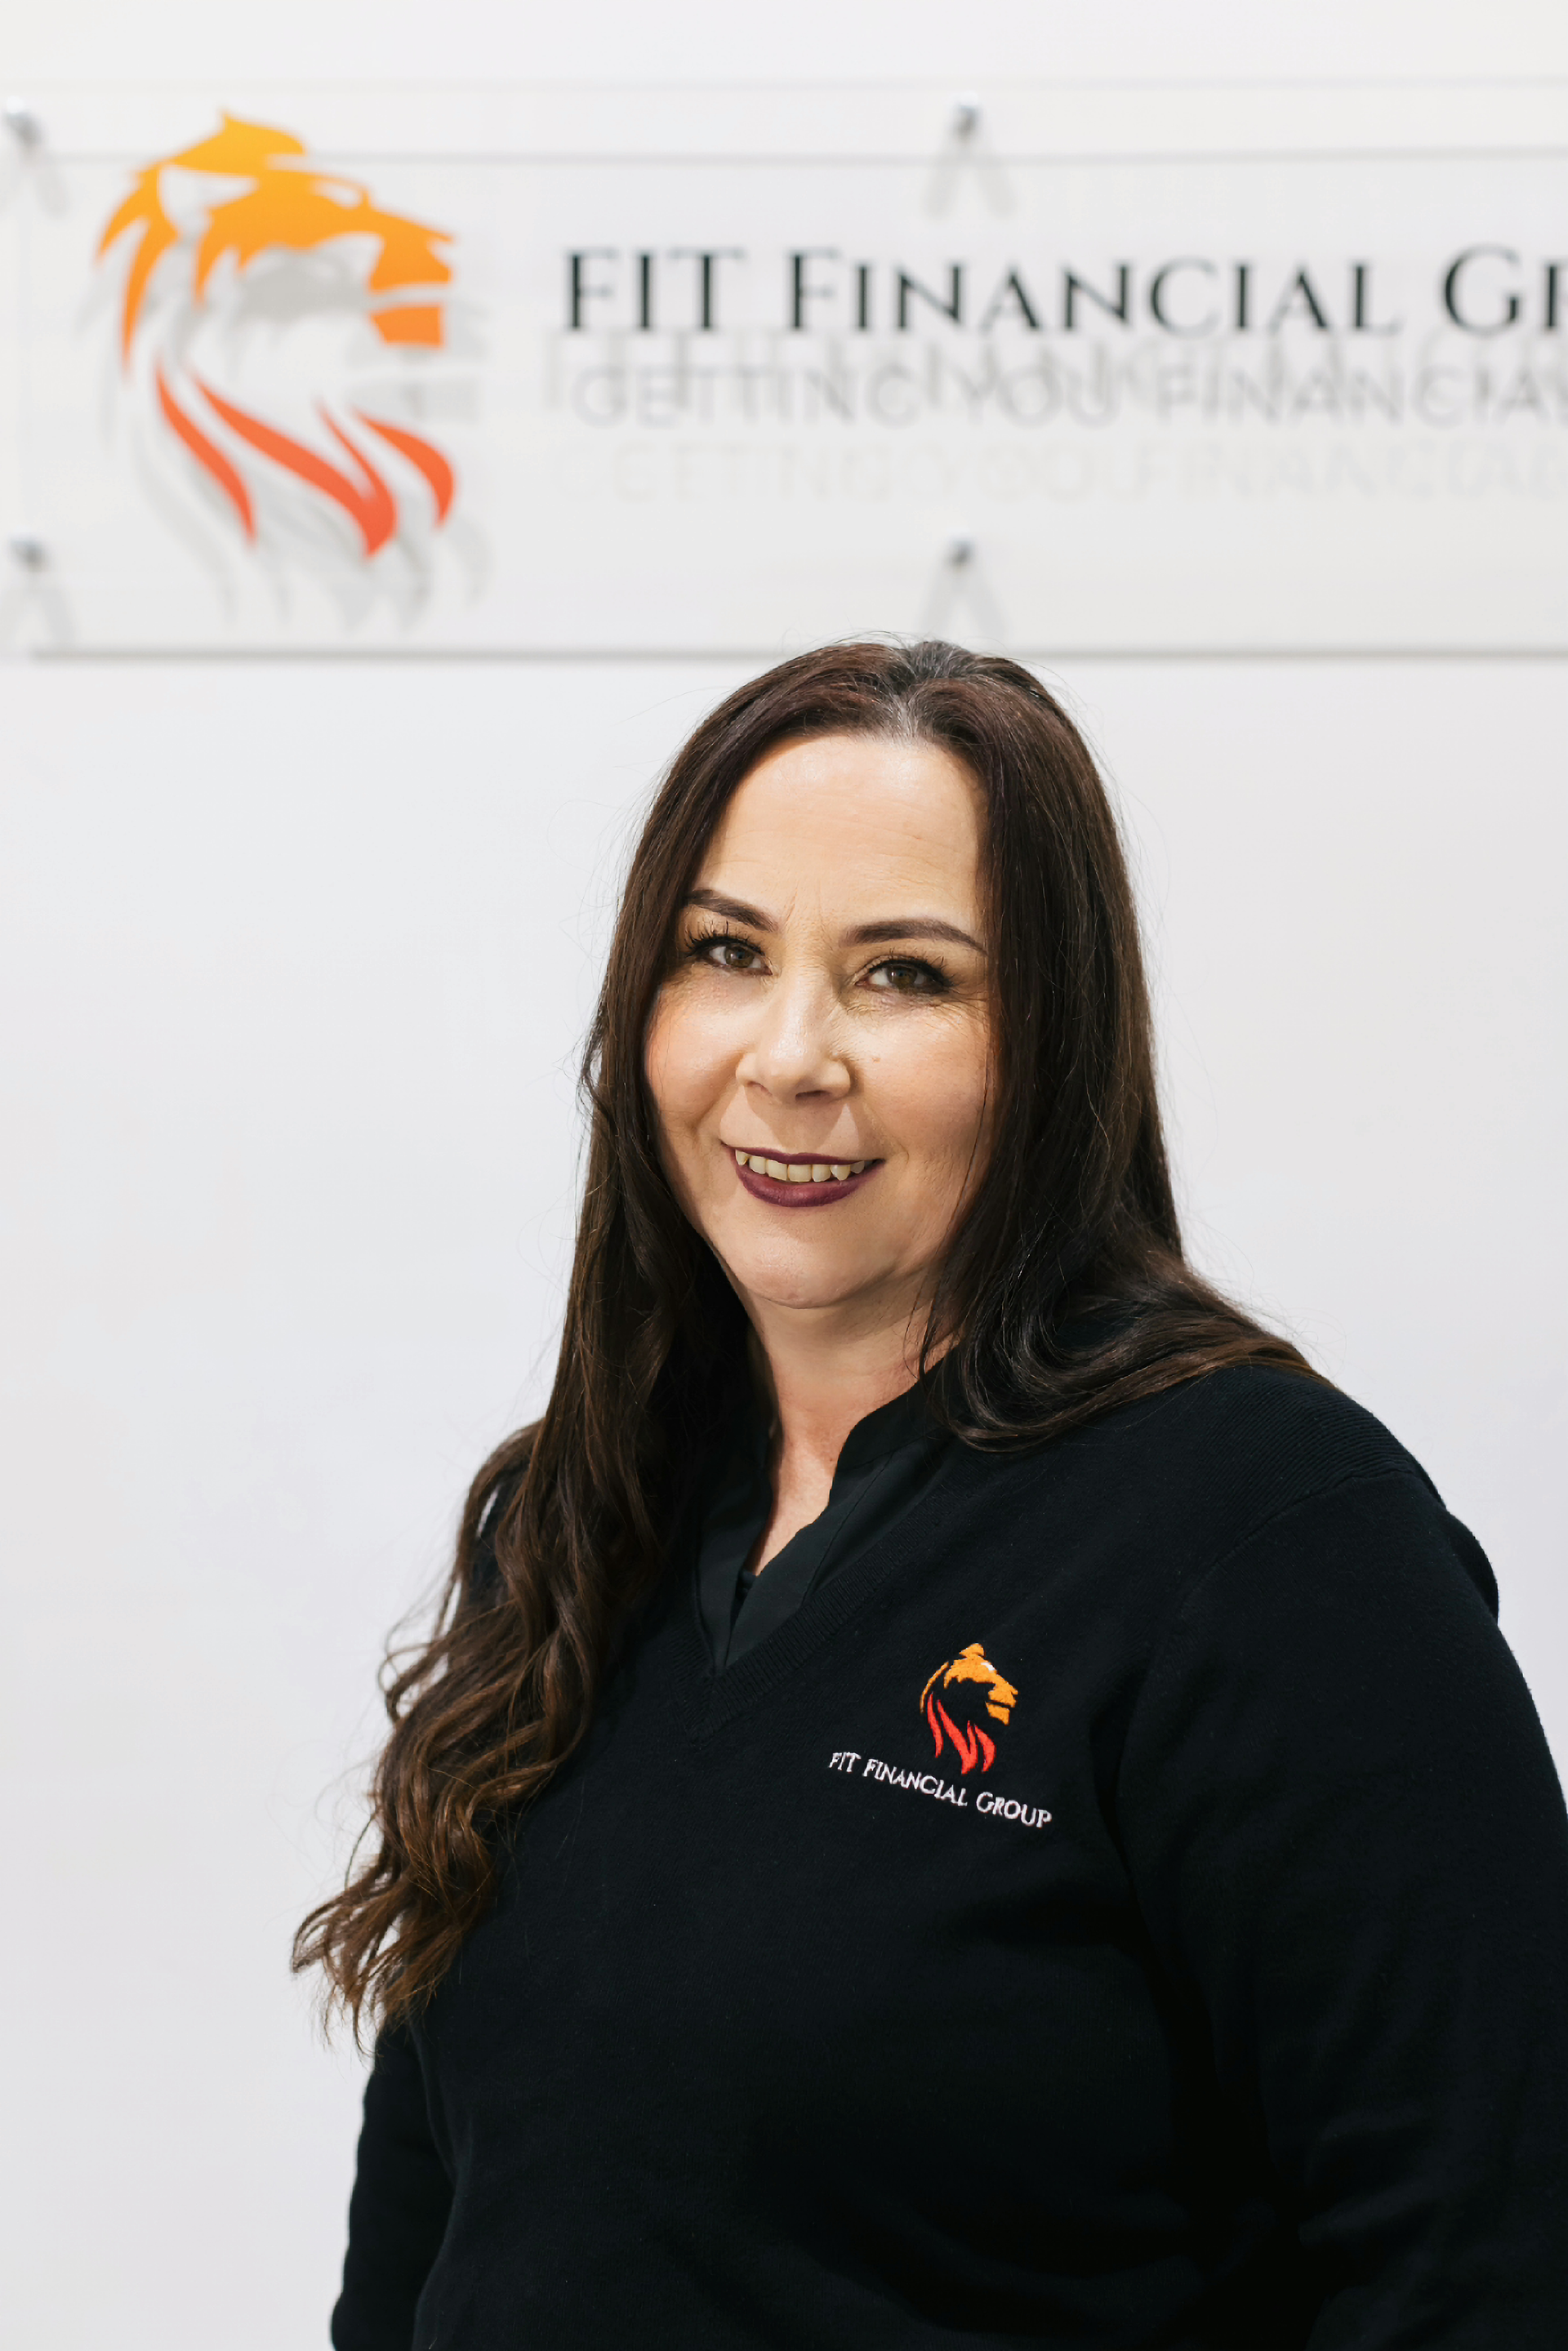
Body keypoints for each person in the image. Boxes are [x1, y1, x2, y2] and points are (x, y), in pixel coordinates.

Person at [298, 641, 1568, 2349]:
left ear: (1048, 1039)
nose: (792, 1054)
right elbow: (435, 2240)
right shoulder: (574, 1520)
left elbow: (1479, 2266)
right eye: (726, 951)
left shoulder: (1274, 1534)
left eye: (904, 974)